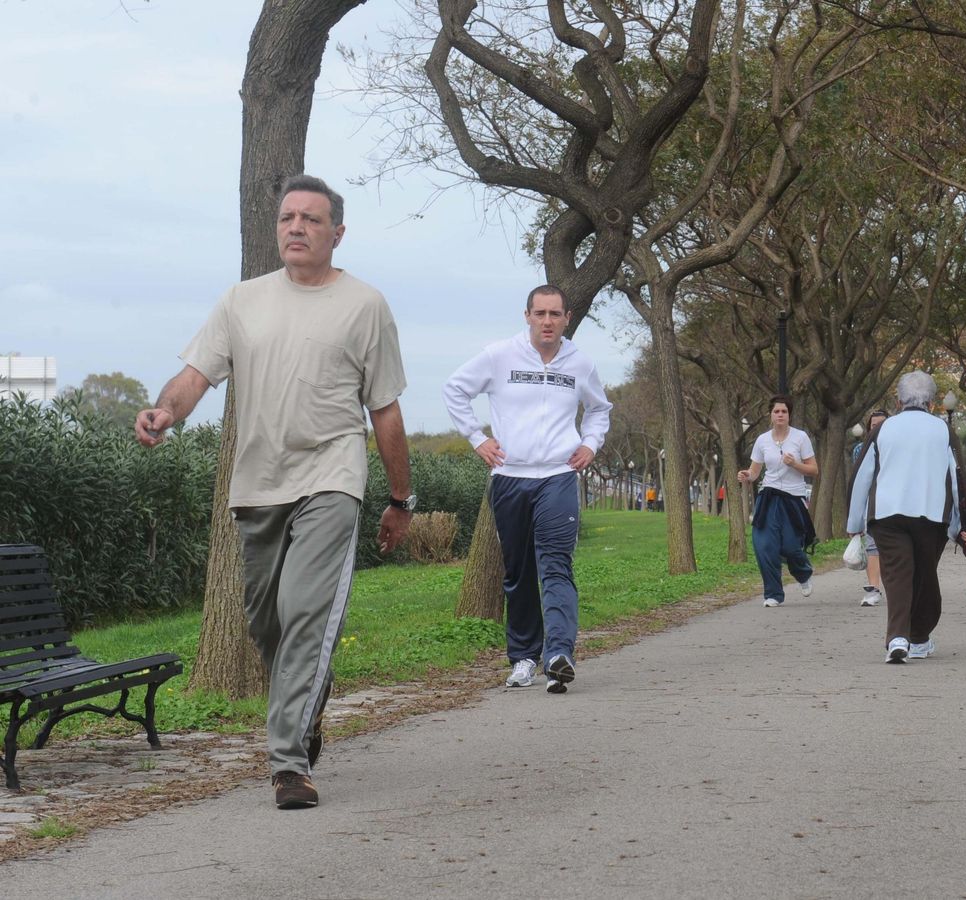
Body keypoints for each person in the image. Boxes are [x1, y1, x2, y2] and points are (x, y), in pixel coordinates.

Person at [135, 174, 412, 811]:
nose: (296, 228)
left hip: (332, 477)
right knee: (268, 624)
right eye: (288, 217)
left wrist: (400, 501)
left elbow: (386, 411)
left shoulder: (366, 305)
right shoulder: (242, 300)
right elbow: (196, 374)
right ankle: (309, 701)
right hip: (257, 484)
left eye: (311, 220)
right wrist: (164, 413)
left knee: (306, 612)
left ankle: (288, 765)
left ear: (336, 234)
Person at [443, 284, 612, 695]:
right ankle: (523, 657)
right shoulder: (499, 356)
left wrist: (589, 444)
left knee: (556, 564)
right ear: (527, 316)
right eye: (540, 314)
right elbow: (455, 390)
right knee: (519, 572)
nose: (547, 322)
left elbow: (599, 410)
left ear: (567, 318)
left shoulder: (580, 364)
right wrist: (476, 438)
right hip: (510, 478)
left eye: (555, 314)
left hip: (557, 475)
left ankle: (559, 655)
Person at [847, 373, 966, 663]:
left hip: (887, 515)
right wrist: (963, 525)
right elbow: (958, 480)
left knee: (897, 576)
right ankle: (917, 637)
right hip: (931, 516)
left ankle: (897, 638)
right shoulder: (943, 431)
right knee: (925, 575)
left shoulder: (882, 430)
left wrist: (855, 524)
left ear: (897, 401)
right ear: (932, 403)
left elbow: (862, 476)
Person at [737, 395, 819, 607]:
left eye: (784, 411)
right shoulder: (762, 440)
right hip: (769, 496)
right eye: (776, 411)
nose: (780, 415)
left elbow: (814, 470)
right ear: (770, 415)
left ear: (789, 415)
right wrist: (747, 476)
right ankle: (773, 594)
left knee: (791, 547)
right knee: (764, 545)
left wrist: (795, 464)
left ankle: (803, 573)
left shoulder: (800, 438)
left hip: (793, 499)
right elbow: (755, 472)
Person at [849, 408, 891, 607]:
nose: (879, 428)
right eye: (875, 425)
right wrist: (855, 519)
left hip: (895, 503)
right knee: (873, 546)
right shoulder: (861, 449)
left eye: (883, 424)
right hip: (872, 504)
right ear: (868, 429)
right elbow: (860, 481)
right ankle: (873, 588)